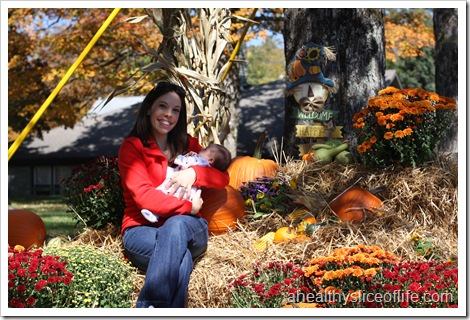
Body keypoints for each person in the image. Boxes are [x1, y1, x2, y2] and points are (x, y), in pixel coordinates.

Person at [118, 82, 229, 308]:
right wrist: (189, 208)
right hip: (141, 229)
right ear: (149, 108)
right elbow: (145, 198)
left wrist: (194, 173)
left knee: (176, 225)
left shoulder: (186, 144)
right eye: (162, 106)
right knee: (182, 258)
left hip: (188, 228)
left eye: (176, 110)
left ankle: (149, 307)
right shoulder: (133, 148)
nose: (168, 114)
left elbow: (222, 178)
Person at [141, 143, 231, 223]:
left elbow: (224, 178)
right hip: (188, 196)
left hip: (178, 186)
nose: (201, 148)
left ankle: (155, 213)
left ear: (211, 160)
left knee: (164, 192)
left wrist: (193, 172)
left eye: (205, 149)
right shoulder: (203, 160)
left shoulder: (199, 158)